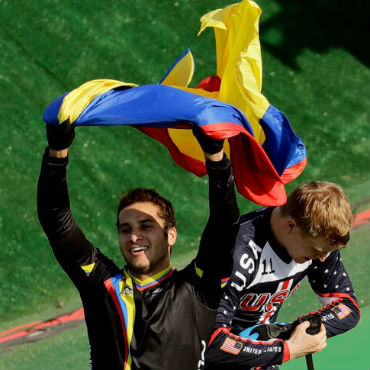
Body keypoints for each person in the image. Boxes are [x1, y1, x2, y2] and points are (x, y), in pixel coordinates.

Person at [37, 122, 240, 370]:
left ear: (171, 235)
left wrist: (217, 160)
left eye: (146, 226)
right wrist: (57, 154)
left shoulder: (198, 288)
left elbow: (224, 224)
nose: (134, 236)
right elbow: (56, 220)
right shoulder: (101, 285)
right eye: (126, 229)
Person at [205, 181, 360, 369]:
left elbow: (347, 306)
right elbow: (212, 342)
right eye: (316, 250)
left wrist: (300, 328)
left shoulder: (318, 244)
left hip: (264, 356)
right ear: (291, 225)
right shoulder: (237, 253)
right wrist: (288, 349)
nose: (321, 258)